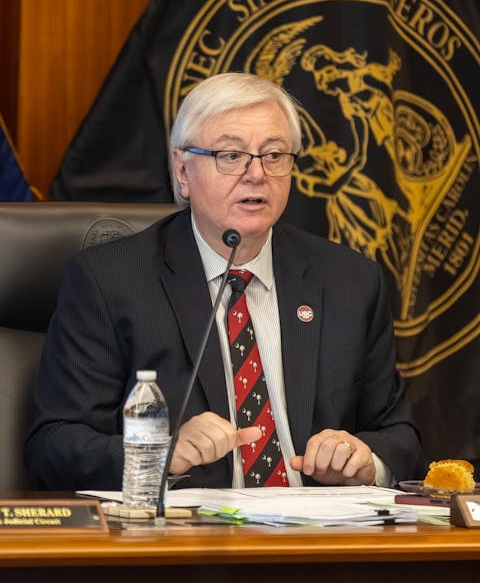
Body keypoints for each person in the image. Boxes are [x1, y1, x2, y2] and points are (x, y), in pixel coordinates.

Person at [26, 72, 424, 490]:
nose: (257, 175)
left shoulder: (350, 281)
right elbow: (53, 447)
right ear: (182, 171)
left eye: (274, 155)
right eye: (230, 156)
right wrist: (162, 454)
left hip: (318, 539)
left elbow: (401, 438)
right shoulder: (109, 282)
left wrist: (364, 461)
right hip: (187, 543)